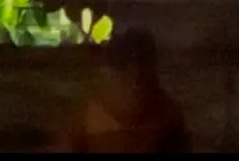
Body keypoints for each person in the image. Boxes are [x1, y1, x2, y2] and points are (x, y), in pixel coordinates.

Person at [52, 27, 190, 153]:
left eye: (140, 67)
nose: (135, 74)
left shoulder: (168, 118)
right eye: (125, 68)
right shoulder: (83, 121)